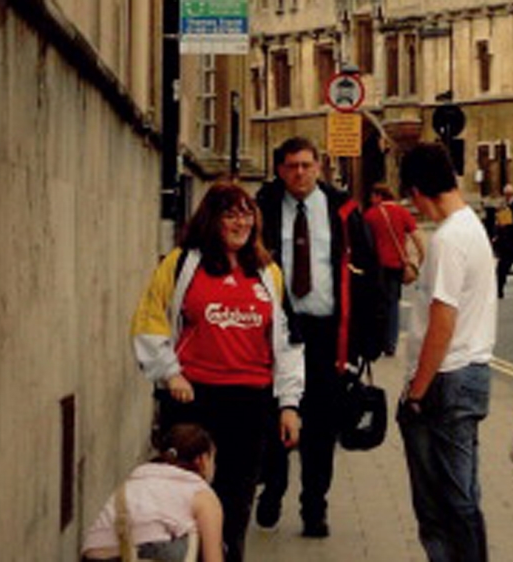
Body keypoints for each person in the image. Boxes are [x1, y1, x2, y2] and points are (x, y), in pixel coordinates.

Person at [130, 182, 303, 562]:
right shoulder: (181, 264)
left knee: (235, 502)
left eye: (246, 213)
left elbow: (289, 341)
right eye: (230, 214)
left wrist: (289, 404)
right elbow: (149, 321)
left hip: (251, 403)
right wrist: (170, 373)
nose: (241, 222)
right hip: (194, 401)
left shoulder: (267, 272)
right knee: (184, 502)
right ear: (212, 219)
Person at [254, 136, 383, 537]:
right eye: (291, 165)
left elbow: (368, 271)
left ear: (319, 167)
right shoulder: (263, 208)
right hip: (278, 330)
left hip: (329, 333)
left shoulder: (343, 209)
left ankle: (314, 507)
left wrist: (368, 338)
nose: (300, 173)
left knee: (322, 427)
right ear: (279, 169)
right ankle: (272, 489)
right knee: (275, 415)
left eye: (307, 165)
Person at [396, 143, 497, 562]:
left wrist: (416, 392)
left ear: (419, 190)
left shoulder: (449, 239)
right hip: (470, 371)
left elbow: (442, 321)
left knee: (440, 502)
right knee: (461, 494)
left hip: (446, 378)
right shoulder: (471, 226)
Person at [82, 424, 224, 562]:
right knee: (207, 539)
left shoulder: (137, 479)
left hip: (94, 556)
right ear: (202, 460)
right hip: (150, 553)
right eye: (213, 459)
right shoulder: (200, 492)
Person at [364, 183, 426, 356]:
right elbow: (417, 237)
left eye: (372, 196)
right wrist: (422, 258)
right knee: (393, 304)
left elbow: (365, 242)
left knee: (377, 303)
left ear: (378, 196)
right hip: (396, 265)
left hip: (377, 266)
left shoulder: (371, 214)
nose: (370, 200)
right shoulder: (402, 212)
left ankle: (378, 340)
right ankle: (391, 343)